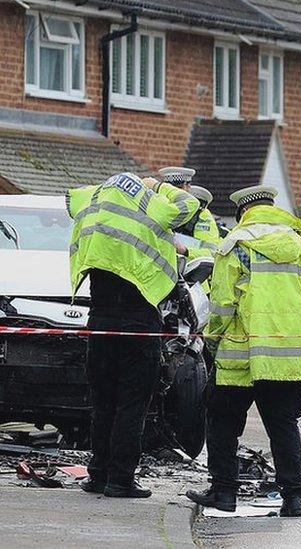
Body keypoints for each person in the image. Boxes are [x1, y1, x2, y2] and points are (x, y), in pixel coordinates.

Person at [186, 185, 301, 517]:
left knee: (223, 422)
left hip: (241, 355)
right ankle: (294, 497)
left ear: (243, 213)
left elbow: (223, 304)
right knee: (283, 426)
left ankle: (224, 493)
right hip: (286, 358)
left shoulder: (235, 246)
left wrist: (212, 342)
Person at [67, 172, 199, 498]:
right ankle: (121, 480)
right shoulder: (149, 202)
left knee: (103, 403)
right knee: (131, 404)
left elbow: (70, 199)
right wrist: (157, 186)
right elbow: (188, 205)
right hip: (138, 322)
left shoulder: (95, 199)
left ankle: (97, 475)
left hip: (99, 319)